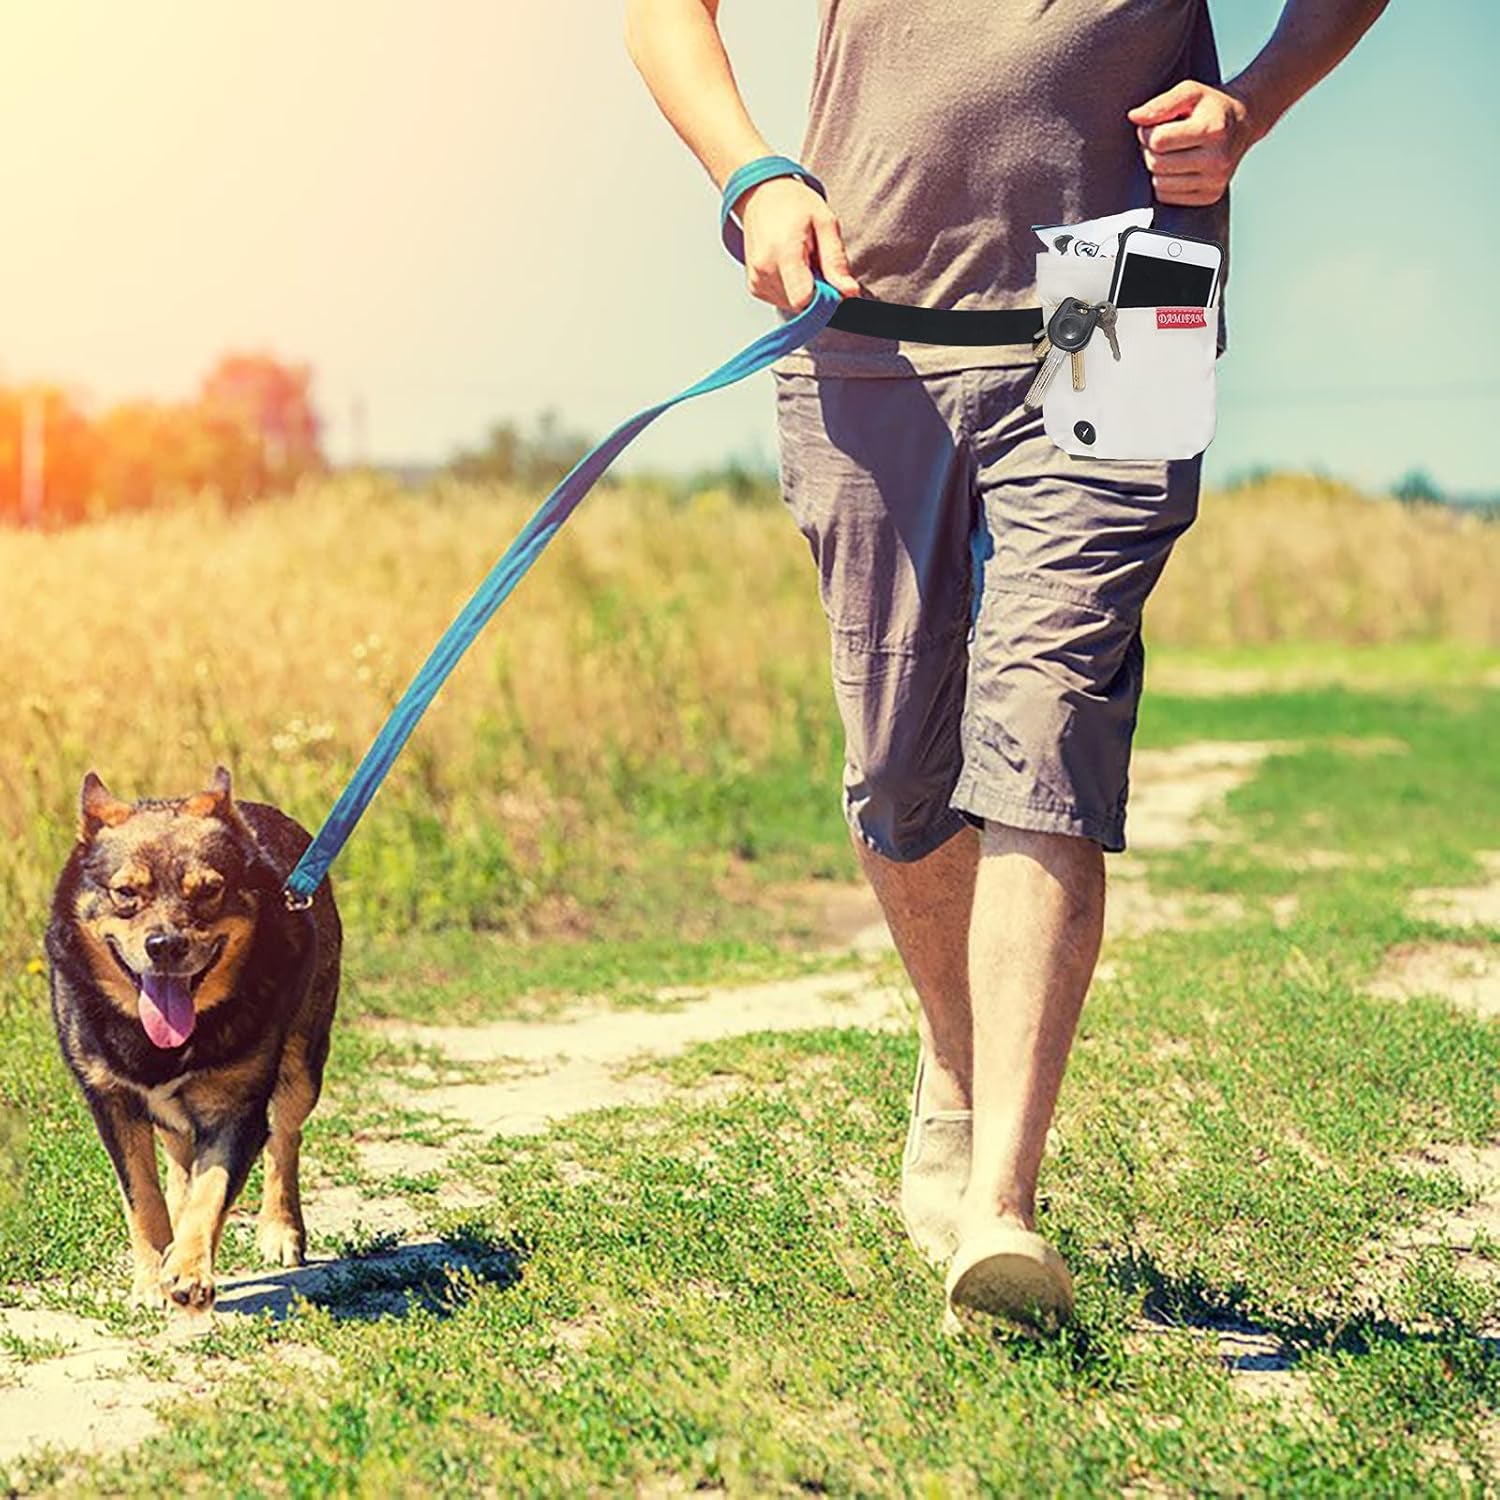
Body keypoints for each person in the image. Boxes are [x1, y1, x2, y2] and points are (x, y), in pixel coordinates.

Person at [625, 0, 1388, 1330]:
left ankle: (1001, 1207)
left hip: (1124, 290)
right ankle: (959, 1064)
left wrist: (1250, 100)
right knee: (895, 769)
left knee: (1045, 720)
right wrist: (753, 175)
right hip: (865, 308)